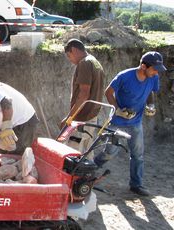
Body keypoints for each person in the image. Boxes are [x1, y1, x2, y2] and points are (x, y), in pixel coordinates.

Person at [94, 51, 167, 196]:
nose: (156, 73)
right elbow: (108, 92)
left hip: (136, 122)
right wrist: (118, 110)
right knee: (109, 153)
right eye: (154, 69)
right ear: (143, 66)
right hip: (117, 121)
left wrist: (150, 106)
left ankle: (136, 185)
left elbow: (151, 91)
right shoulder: (124, 76)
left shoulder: (153, 77)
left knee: (138, 155)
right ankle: (86, 172)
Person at [61, 39, 105, 157]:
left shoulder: (84, 63)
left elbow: (83, 94)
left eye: (69, 56)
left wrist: (69, 118)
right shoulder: (95, 62)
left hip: (81, 119)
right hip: (92, 116)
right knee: (87, 151)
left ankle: (74, 176)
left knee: (72, 151)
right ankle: (87, 175)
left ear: (74, 50)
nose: (70, 60)